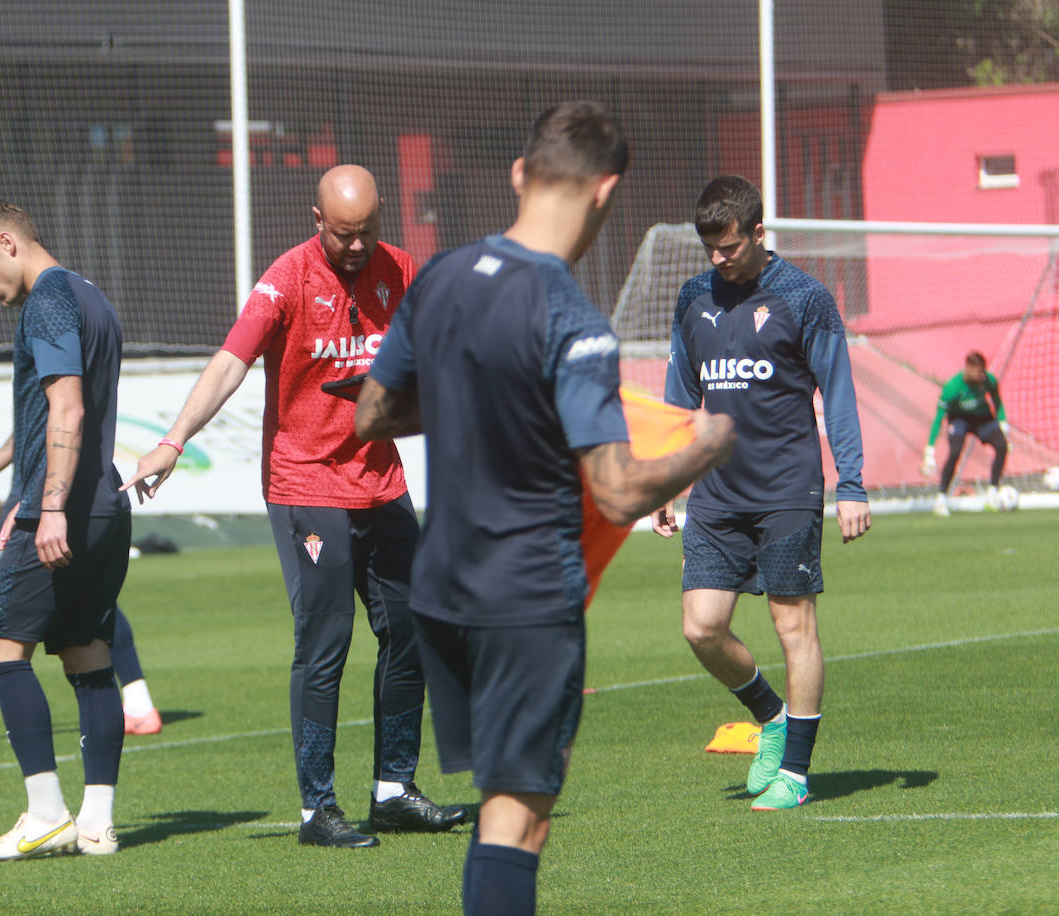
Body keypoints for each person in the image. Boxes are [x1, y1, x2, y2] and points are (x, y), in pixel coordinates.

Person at [355, 101, 735, 915]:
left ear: (520, 174)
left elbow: (373, 414)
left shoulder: (442, 275)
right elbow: (618, 490)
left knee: (506, 815)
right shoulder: (573, 320)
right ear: (607, 193)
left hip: (441, 590)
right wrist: (706, 444)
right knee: (517, 825)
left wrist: (478, 397)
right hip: (524, 597)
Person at [120, 165, 465, 849]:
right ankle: (317, 810)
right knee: (326, 643)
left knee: (413, 629)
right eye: (343, 236)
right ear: (317, 221)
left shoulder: (402, 270)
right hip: (306, 485)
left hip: (381, 483)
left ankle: (393, 790)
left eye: (367, 232)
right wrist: (172, 441)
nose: (358, 248)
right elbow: (229, 362)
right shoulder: (288, 279)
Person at [651, 175, 872, 812]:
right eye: (709, 249)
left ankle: (796, 775)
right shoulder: (693, 298)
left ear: (758, 233)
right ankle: (771, 719)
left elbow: (839, 394)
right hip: (716, 497)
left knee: (791, 623)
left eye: (729, 247)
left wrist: (851, 484)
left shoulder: (806, 298)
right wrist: (667, 477)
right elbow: (679, 396)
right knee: (701, 627)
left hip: (786, 489)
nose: (718, 259)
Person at [0, 199, 133, 860]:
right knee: (88, 657)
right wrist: (1, 467)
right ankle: (96, 823)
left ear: (7, 242)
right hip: (107, 507)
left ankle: (45, 813)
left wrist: (48, 506)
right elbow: (45, 408)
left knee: (2, 656)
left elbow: (68, 407)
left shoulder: (47, 299)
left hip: (65, 509)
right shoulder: (89, 294)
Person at [0, 440, 161, 743]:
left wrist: (24, 494)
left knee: (8, 598)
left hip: (48, 488)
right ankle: (137, 704)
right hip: (66, 486)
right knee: (86, 601)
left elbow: (53, 419)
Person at [920, 350, 1008, 516]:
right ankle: (941, 498)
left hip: (983, 419)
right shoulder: (952, 387)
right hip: (959, 419)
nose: (982, 375)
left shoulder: (988, 380)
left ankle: (993, 492)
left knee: (1002, 445)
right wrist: (929, 449)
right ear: (968, 368)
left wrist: (1003, 423)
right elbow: (939, 418)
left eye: (983, 371)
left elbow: (997, 401)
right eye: (979, 371)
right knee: (954, 452)